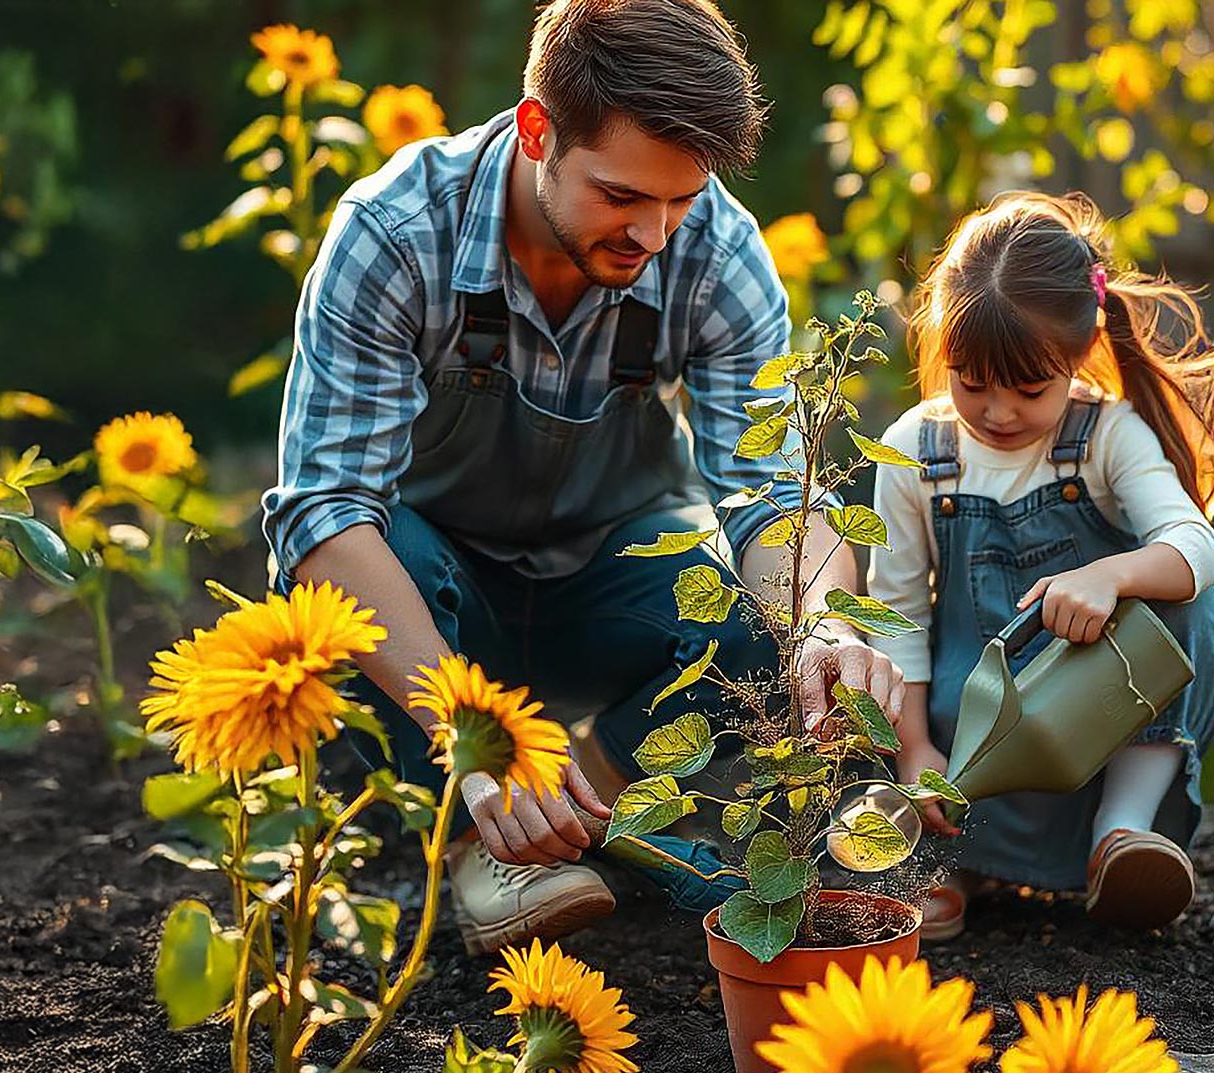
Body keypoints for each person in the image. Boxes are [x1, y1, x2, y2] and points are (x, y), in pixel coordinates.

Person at [260, 0, 906, 954]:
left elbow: (772, 491)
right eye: (620, 197)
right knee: (335, 577)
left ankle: (581, 808)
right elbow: (324, 512)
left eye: (680, 200)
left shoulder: (716, 253)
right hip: (442, 606)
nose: (653, 234)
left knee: (763, 609)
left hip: (608, 586)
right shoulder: (396, 234)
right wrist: (478, 729)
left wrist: (825, 628)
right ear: (536, 131)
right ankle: (481, 831)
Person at [868, 191, 1214, 939]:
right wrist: (914, 749)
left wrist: (1112, 576)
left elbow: (1197, 546)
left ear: (1077, 356)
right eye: (971, 382)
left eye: (1029, 388)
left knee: (1203, 613)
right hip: (968, 733)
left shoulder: (1105, 435)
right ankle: (952, 861)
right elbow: (898, 612)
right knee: (860, 696)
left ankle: (1119, 835)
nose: (999, 411)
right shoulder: (916, 447)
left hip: (1096, 720)